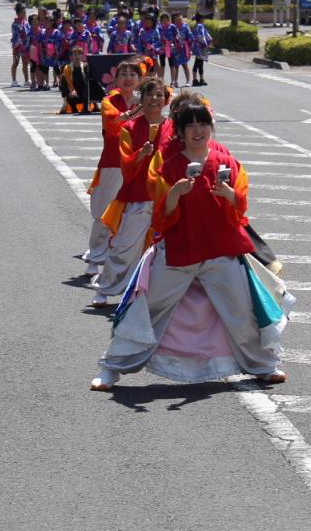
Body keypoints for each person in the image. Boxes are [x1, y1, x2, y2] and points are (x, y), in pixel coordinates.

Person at [90, 94, 291, 390]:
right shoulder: (168, 167)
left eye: (203, 124)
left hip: (221, 250)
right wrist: (175, 195)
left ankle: (263, 364)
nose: (198, 131)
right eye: (191, 126)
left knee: (240, 310)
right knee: (146, 309)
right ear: (181, 132)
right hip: (178, 251)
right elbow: (161, 217)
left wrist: (230, 196)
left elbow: (241, 208)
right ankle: (112, 367)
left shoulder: (228, 162)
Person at [90, 76, 173, 307]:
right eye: (150, 95)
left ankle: (151, 293)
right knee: (125, 247)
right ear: (142, 98)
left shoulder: (173, 127)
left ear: (165, 100)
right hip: (138, 195)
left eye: (159, 95)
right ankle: (104, 287)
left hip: (166, 197)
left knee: (164, 250)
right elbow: (125, 163)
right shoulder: (130, 127)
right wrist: (141, 155)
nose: (155, 99)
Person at [83, 58, 144, 276]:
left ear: (140, 79)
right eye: (123, 75)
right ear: (116, 79)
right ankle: (95, 254)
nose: (128, 78)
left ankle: (127, 257)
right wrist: (139, 111)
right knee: (104, 210)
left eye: (132, 74)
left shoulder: (147, 100)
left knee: (134, 212)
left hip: (139, 163)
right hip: (113, 162)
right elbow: (113, 122)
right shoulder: (110, 100)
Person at [168, 12, 192, 88]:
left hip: (184, 48)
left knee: (185, 64)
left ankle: (188, 81)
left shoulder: (186, 27)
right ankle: (175, 81)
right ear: (174, 21)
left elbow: (190, 37)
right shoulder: (172, 28)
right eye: (177, 20)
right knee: (176, 66)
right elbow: (170, 37)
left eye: (180, 19)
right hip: (175, 49)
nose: (179, 21)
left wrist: (188, 45)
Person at [10, 3, 30, 88]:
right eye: (23, 12)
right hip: (17, 46)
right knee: (16, 62)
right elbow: (15, 37)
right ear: (18, 13)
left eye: (25, 12)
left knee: (25, 63)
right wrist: (16, 47)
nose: (24, 13)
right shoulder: (15, 24)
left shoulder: (25, 22)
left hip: (25, 46)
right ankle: (14, 81)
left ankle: (26, 80)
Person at [191, 14, 212, 87]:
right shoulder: (200, 26)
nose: (204, 20)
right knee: (198, 63)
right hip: (201, 47)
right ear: (201, 19)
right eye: (203, 18)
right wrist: (206, 43)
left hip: (198, 47)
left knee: (199, 63)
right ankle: (196, 79)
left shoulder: (198, 26)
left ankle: (199, 79)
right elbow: (202, 36)